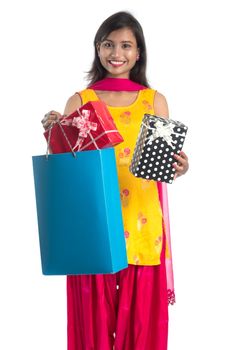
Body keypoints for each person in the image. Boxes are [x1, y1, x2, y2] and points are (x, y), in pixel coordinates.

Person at [42, 11, 189, 350]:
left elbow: (159, 166)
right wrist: (54, 133)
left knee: (142, 331)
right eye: (108, 44)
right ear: (97, 48)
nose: (116, 53)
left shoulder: (155, 101)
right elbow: (70, 173)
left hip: (143, 226)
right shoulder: (82, 101)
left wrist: (179, 167)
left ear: (139, 53)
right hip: (94, 230)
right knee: (92, 328)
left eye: (126, 45)